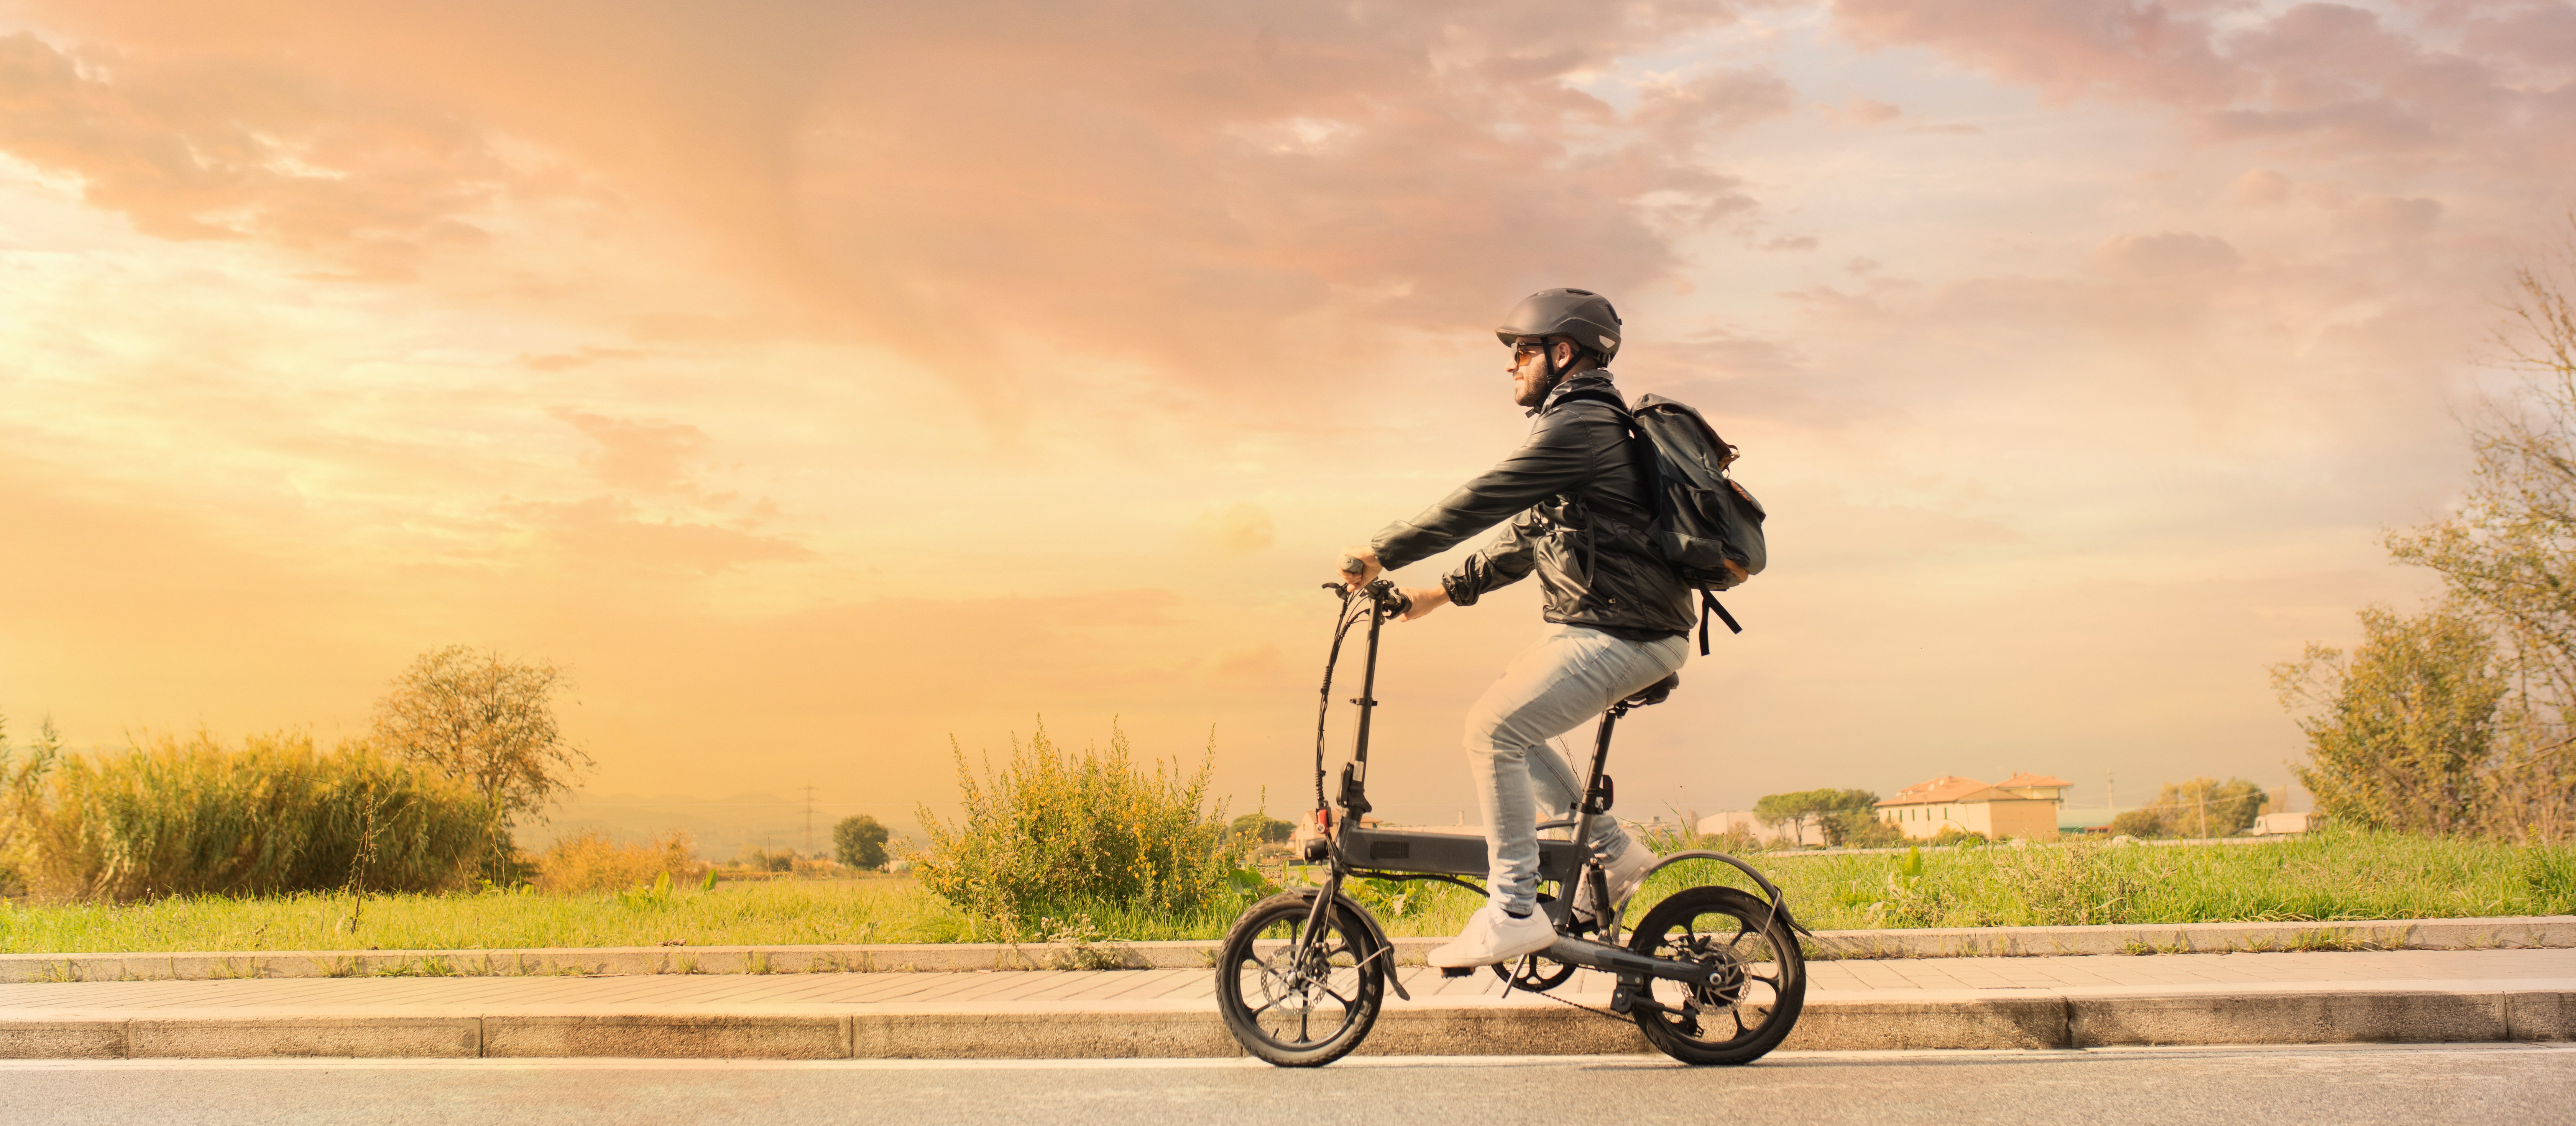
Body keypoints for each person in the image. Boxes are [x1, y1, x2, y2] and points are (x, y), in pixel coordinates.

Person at [1336, 288, 1695, 969]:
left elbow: (1485, 497)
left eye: (1522, 351)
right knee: (1509, 719)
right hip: (1614, 623)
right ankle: (1614, 855)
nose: (1511, 365)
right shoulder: (1584, 429)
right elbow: (1529, 534)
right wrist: (1432, 594)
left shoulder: (1579, 428)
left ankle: (1514, 907)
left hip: (1627, 629)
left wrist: (1382, 549)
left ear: (1562, 354)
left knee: (1494, 729)